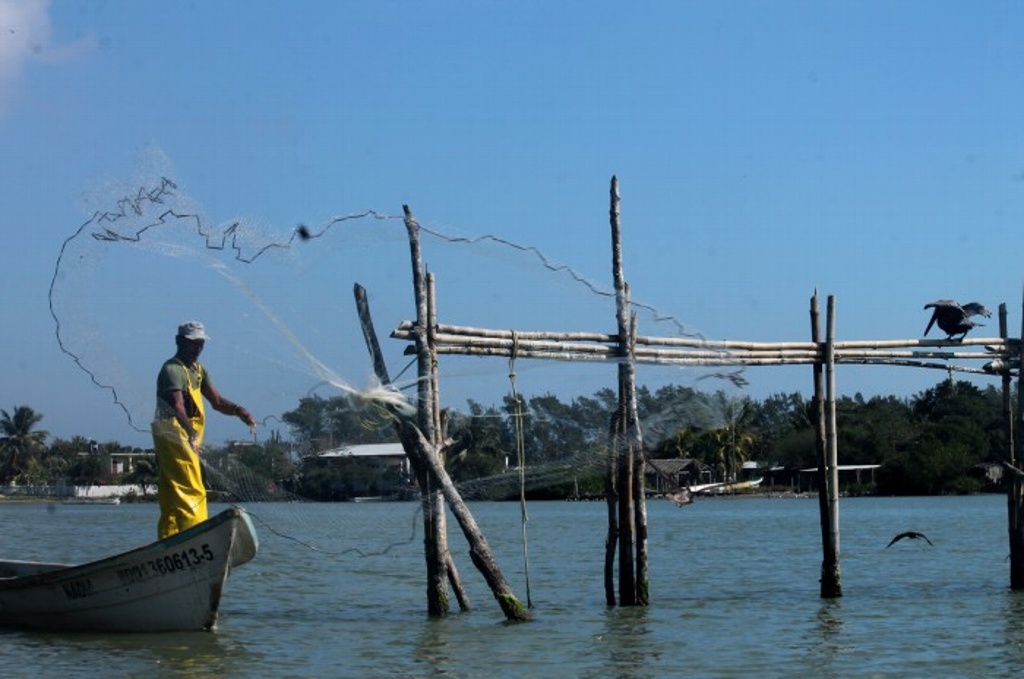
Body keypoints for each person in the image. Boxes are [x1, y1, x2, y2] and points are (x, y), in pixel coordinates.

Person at [151, 321, 256, 539]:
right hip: (174, 435)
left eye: (200, 343)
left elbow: (216, 401)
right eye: (192, 343)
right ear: (179, 341)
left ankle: (169, 540)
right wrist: (191, 432)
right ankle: (195, 538)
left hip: (187, 437)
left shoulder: (198, 371)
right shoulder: (172, 370)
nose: (197, 348)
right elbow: (177, 406)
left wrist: (239, 410)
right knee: (192, 488)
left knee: (172, 491)